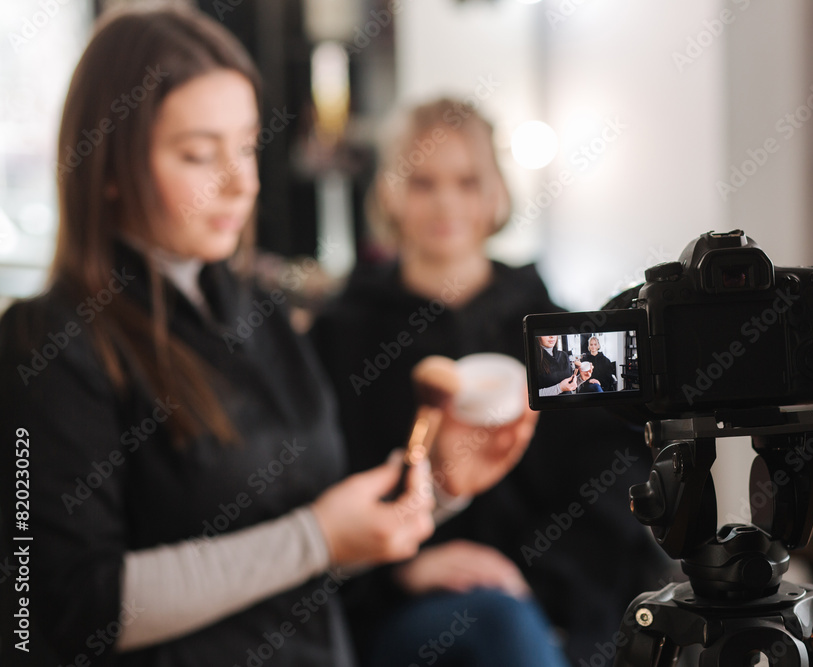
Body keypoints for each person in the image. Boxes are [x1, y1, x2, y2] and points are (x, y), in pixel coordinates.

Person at [0, 7, 517, 666]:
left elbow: (313, 533)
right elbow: (66, 604)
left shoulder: (258, 313)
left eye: (245, 146)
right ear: (107, 166)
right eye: (198, 153)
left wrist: (440, 485)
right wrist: (318, 538)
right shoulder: (51, 344)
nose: (242, 182)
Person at [310, 98, 669, 665]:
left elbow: (612, 485)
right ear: (390, 192)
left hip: (550, 609)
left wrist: (531, 584)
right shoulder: (341, 335)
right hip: (392, 610)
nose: (446, 202)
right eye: (424, 182)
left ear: (496, 192)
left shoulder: (555, 332)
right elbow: (321, 490)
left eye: (467, 181)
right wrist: (406, 569)